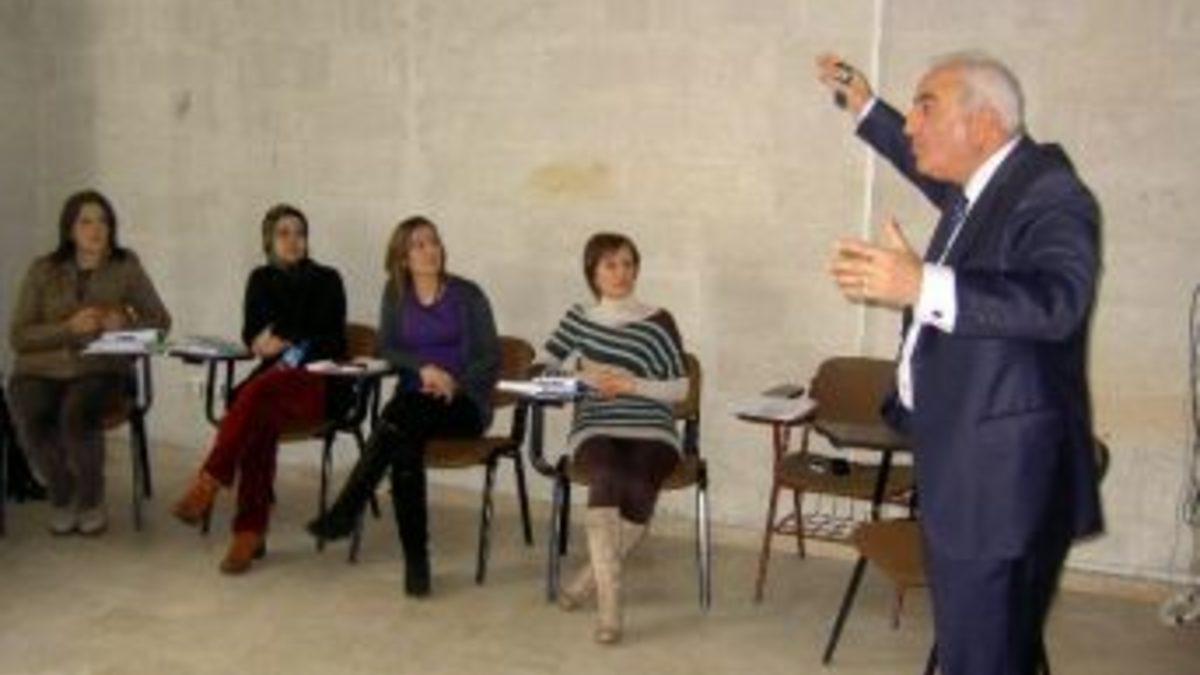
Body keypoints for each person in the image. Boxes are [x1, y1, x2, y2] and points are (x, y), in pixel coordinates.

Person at [817, 52, 1103, 674]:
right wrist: (866, 105)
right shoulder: (982, 188)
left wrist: (921, 284)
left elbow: (1059, 302)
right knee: (993, 647)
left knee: (982, 655)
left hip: (1000, 485)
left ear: (985, 123)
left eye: (926, 107)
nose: (912, 124)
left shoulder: (1050, 190)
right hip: (972, 465)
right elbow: (920, 163)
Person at [306, 216, 500, 598]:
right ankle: (416, 561)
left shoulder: (467, 295)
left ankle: (349, 510)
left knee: (396, 420)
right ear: (402, 257)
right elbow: (387, 348)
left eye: (434, 242)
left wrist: (453, 382)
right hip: (413, 401)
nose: (430, 251)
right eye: (419, 245)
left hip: (462, 405)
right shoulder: (395, 293)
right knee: (404, 446)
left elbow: (489, 357)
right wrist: (423, 367)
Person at [172, 204, 348, 574]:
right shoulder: (260, 279)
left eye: (299, 233)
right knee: (259, 416)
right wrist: (274, 337)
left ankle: (211, 482)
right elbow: (253, 335)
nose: (293, 240)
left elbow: (330, 336)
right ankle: (248, 533)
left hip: (320, 381)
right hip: (273, 385)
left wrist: (280, 334)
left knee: (255, 394)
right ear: (268, 241)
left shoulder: (327, 278)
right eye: (283, 233)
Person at [543, 232, 689, 645]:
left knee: (639, 482)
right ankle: (610, 609)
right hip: (596, 425)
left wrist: (632, 385)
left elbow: (680, 388)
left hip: (653, 428)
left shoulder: (659, 321)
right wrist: (583, 377)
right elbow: (541, 371)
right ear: (593, 273)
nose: (621, 273)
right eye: (610, 265)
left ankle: (587, 581)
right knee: (607, 475)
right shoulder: (579, 318)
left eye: (628, 264)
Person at [8, 189, 172, 536]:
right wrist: (67, 328)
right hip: (42, 369)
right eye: (85, 222)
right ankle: (63, 493)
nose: (96, 230)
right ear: (69, 229)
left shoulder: (125, 266)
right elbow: (20, 336)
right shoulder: (43, 269)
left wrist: (125, 323)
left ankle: (90, 500)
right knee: (32, 413)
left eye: (103, 222)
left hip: (100, 369)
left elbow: (160, 323)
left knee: (76, 413)